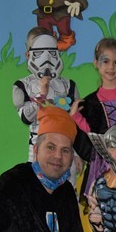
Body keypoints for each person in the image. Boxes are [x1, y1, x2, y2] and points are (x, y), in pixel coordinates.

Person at [71, 38, 116, 200]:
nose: (111, 67)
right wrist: (75, 117)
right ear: (96, 63)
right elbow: (91, 132)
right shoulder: (91, 102)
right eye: (105, 62)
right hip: (106, 162)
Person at [13, 27, 79, 160]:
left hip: (65, 151)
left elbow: (76, 122)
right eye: (39, 53)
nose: (46, 58)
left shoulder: (68, 85)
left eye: (51, 52)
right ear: (28, 55)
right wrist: (42, 94)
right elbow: (26, 118)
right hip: (37, 153)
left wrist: (78, 155)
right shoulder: (23, 86)